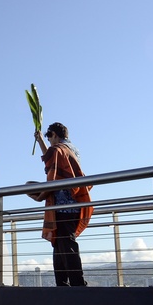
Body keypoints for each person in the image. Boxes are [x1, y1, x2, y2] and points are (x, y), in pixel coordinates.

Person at [31, 122, 92, 286]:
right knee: (60, 246)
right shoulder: (71, 149)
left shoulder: (58, 150)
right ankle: (63, 283)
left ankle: (77, 283)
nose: (49, 141)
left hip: (62, 206)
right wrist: (41, 142)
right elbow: (52, 164)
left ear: (55, 135)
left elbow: (52, 169)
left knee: (66, 245)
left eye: (49, 137)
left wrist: (41, 194)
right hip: (74, 203)